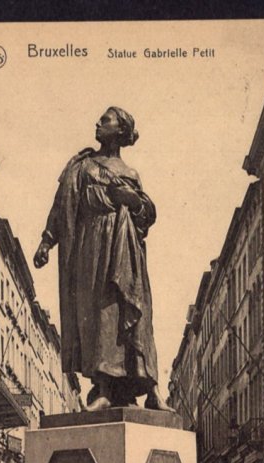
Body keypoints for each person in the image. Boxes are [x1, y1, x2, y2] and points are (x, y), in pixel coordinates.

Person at [33, 107, 171, 412]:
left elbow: (146, 218)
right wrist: (46, 240)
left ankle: (148, 387)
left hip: (125, 247)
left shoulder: (131, 173)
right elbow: (62, 207)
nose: (97, 123)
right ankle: (105, 388)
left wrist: (134, 202)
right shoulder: (82, 167)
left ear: (119, 130)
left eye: (105, 120)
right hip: (90, 246)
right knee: (99, 314)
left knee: (133, 314)